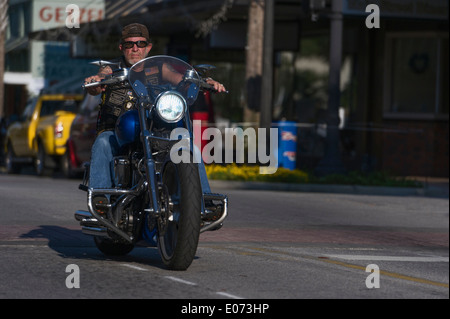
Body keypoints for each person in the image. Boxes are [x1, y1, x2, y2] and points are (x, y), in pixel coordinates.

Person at [84, 23, 226, 195]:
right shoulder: (113, 68)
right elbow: (100, 79)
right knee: (103, 142)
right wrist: (95, 81)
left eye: (140, 44)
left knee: (188, 144)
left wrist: (204, 82)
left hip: (155, 129)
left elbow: (180, 79)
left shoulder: (159, 68)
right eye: (129, 44)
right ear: (122, 47)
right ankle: (101, 199)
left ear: (148, 47)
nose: (135, 48)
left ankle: (203, 200)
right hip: (117, 131)